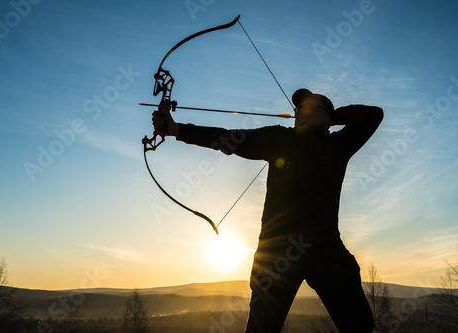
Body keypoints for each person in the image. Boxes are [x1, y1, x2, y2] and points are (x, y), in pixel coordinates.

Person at [151, 88, 383, 332]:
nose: (298, 112)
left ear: (325, 116)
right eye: (297, 109)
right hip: (277, 253)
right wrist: (177, 129)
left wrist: (332, 118)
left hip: (326, 248)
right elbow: (230, 138)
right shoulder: (280, 139)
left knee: (360, 325)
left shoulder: (339, 144)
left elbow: (374, 115)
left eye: (308, 108)